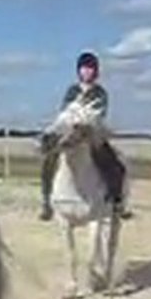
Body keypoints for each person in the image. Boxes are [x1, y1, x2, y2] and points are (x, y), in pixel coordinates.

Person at [39, 50, 129, 220]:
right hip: (69, 133)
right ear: (78, 71)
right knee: (48, 161)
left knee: (115, 165)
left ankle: (116, 202)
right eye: (84, 68)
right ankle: (46, 202)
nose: (87, 72)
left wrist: (86, 124)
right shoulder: (72, 91)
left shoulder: (100, 93)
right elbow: (65, 111)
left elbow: (99, 114)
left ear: (96, 71)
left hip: (91, 134)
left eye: (90, 68)